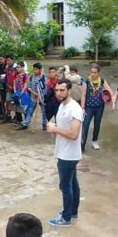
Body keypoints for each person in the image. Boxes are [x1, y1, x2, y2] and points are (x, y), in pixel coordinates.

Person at [47, 79, 84, 228]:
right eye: (56, 90)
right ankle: (72, 212)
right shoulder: (62, 105)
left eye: (62, 90)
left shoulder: (74, 109)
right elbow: (64, 126)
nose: (58, 93)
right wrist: (54, 126)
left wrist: (55, 129)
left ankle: (66, 217)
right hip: (64, 152)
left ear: (69, 91)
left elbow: (74, 134)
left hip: (68, 155)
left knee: (65, 186)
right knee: (72, 183)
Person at [79, 64, 111, 152]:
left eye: (95, 72)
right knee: (85, 125)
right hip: (89, 107)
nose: (93, 74)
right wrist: (82, 108)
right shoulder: (86, 82)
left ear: (99, 73)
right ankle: (82, 144)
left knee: (97, 124)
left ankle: (94, 141)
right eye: (92, 72)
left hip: (99, 107)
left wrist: (109, 100)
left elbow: (109, 91)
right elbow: (83, 95)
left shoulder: (102, 81)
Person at [19, 62, 48, 131]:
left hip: (42, 98)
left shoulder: (44, 78)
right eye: (34, 69)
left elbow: (46, 88)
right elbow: (28, 86)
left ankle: (44, 124)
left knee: (44, 112)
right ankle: (25, 124)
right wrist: (33, 92)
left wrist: (40, 94)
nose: (35, 71)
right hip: (33, 98)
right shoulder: (31, 77)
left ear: (40, 70)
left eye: (36, 69)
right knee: (30, 111)